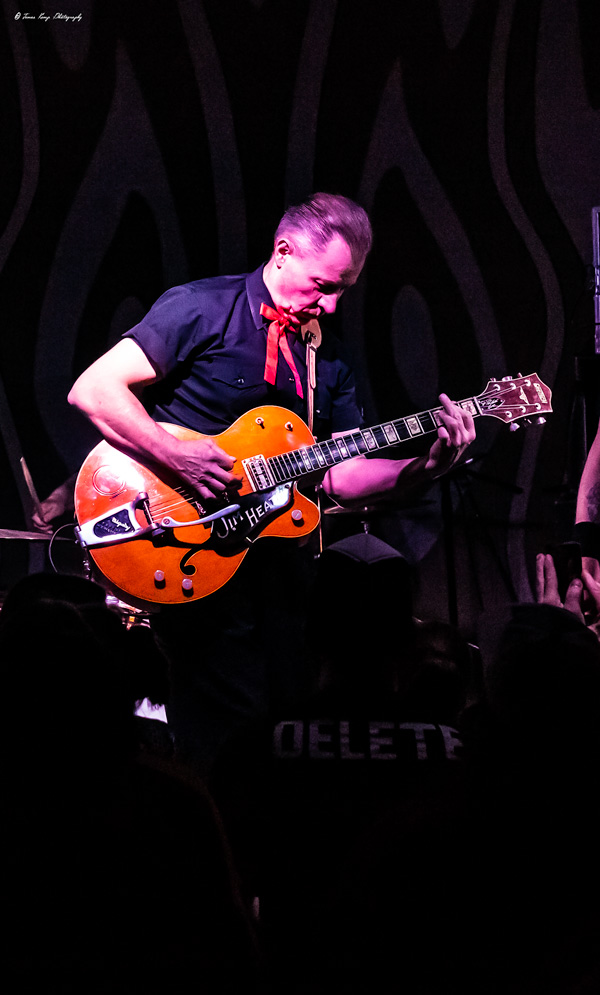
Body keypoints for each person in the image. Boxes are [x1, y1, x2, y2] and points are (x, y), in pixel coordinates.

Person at [68, 192, 476, 775]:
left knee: (282, 739)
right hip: (194, 558)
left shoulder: (327, 358)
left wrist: (426, 468)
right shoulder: (201, 309)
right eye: (323, 285)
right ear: (283, 251)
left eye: (343, 290)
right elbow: (93, 389)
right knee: (218, 745)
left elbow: (337, 472)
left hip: (285, 584)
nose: (332, 306)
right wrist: (174, 455)